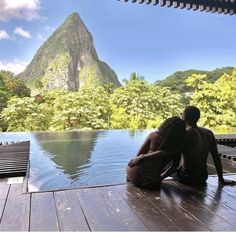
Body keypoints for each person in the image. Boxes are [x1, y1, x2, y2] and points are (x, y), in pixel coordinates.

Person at [164, 106, 236, 186]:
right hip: (203, 177)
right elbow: (216, 158)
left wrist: (159, 178)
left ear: (184, 117)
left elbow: (174, 164)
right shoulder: (209, 133)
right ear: (198, 117)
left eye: (182, 114)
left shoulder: (185, 134)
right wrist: (221, 179)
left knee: (165, 165)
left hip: (187, 177)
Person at [127, 116, 186, 190]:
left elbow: (137, 156)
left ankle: (129, 185)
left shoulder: (153, 136)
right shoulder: (176, 146)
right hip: (149, 180)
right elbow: (174, 166)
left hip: (132, 171)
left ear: (165, 125)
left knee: (131, 176)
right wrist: (161, 177)